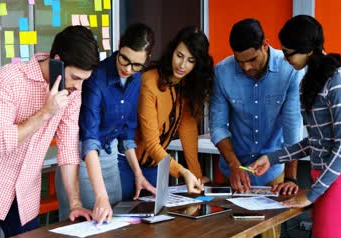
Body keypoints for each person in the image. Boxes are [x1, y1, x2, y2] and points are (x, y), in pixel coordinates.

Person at [0, 26, 99, 238]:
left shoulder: (73, 93)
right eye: (75, 77)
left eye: (84, 80)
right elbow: (1, 143)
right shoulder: (9, 79)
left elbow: (68, 149)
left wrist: (75, 203)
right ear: (58, 61)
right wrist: (45, 112)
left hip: (25, 192)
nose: (78, 86)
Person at [250, 15, 341, 238]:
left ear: (307, 50)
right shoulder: (310, 81)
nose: (285, 59)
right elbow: (315, 140)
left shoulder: (339, 81)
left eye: (288, 53)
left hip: (340, 179)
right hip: (325, 179)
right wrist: (273, 157)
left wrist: (312, 194)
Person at [55, 23, 156, 224]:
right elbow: (89, 138)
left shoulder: (136, 79)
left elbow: (127, 132)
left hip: (110, 160)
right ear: (119, 46)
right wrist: (100, 195)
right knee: (83, 228)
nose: (128, 69)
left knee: (113, 226)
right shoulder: (96, 77)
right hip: (83, 161)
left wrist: (138, 173)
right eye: (124, 59)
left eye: (136, 65)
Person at [209, 18, 304, 194]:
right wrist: (234, 165)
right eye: (239, 61)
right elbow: (217, 126)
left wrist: (291, 177)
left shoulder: (289, 70)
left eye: (252, 59)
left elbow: (292, 126)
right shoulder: (222, 72)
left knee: (269, 222)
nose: (246, 67)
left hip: (272, 172)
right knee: (228, 221)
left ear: (265, 45)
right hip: (233, 169)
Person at [118, 26, 210, 204]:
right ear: (172, 51)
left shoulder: (186, 87)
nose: (182, 65)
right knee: (125, 224)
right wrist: (183, 172)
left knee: (153, 226)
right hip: (127, 166)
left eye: (191, 60)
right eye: (179, 55)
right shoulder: (149, 82)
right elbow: (151, 142)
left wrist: (196, 178)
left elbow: (189, 134)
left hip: (155, 167)